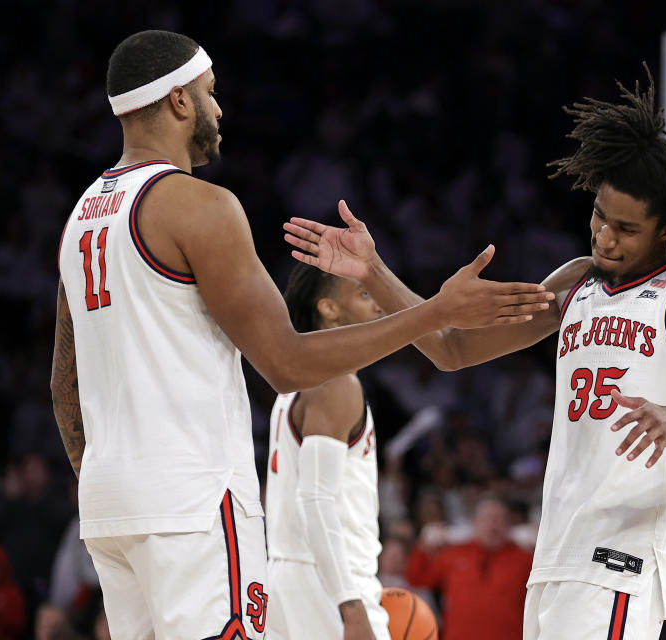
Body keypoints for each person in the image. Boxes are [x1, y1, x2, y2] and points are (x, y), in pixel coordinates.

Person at [50, 30, 552, 640]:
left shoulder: (81, 219)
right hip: (191, 498)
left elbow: (64, 384)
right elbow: (285, 361)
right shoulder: (198, 205)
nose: (219, 110)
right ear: (179, 101)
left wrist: (106, 477)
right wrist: (435, 311)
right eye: (210, 94)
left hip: (110, 506)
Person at [282, 68, 666, 639]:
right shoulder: (574, 283)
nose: (604, 237)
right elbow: (453, 349)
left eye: (625, 228)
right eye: (599, 216)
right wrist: (374, 269)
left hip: (619, 558)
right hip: (556, 551)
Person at [264, 263, 390, 640]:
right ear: (329, 309)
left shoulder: (297, 377)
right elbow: (316, 498)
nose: (378, 306)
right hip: (327, 584)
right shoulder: (335, 382)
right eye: (363, 294)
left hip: (293, 575)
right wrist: (350, 606)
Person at [406, 495, 533, 640]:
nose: (493, 525)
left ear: (509, 526)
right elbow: (417, 578)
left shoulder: (524, 558)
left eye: (499, 519)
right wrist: (423, 546)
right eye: (487, 519)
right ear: (474, 523)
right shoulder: (453, 554)